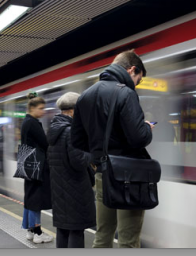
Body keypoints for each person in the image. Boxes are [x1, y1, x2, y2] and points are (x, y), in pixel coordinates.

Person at [71, 50, 154, 248]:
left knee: (103, 235)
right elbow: (138, 138)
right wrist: (147, 128)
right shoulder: (126, 93)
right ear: (132, 69)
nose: (136, 84)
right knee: (128, 240)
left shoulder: (85, 96)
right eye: (138, 80)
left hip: (102, 173)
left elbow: (77, 141)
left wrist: (96, 158)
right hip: (129, 177)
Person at [47, 92, 96, 248]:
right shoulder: (71, 131)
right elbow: (78, 161)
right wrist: (92, 155)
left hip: (59, 187)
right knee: (76, 230)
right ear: (74, 110)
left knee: (63, 229)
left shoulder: (55, 129)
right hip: (75, 188)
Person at [21, 93, 53, 244]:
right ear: (32, 108)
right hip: (36, 165)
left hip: (28, 163)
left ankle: (29, 231)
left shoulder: (26, 121)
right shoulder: (33, 123)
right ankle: (38, 233)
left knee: (30, 197)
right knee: (36, 199)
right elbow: (45, 143)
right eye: (41, 108)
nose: (43, 111)